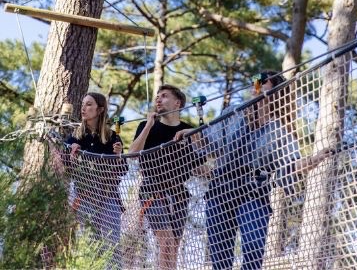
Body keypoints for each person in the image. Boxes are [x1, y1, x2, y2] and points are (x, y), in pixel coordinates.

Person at [174, 72, 330, 270]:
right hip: (221, 189)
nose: (255, 87)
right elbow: (210, 144)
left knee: (254, 246)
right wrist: (191, 134)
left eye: (263, 83)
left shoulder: (278, 129)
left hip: (253, 191)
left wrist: (313, 160)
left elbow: (290, 165)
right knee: (220, 256)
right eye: (254, 83)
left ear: (274, 94)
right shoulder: (233, 113)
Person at [129, 85, 204, 270]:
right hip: (152, 189)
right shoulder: (147, 126)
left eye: (164, 96)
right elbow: (132, 154)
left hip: (179, 192)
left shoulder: (188, 130)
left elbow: (200, 165)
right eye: (157, 97)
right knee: (166, 242)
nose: (158, 100)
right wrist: (148, 124)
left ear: (177, 103)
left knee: (174, 247)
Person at [64, 92, 126, 269]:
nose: (84, 108)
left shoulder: (113, 137)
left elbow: (123, 171)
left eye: (89, 104)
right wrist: (71, 155)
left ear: (100, 109)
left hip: (108, 196)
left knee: (111, 244)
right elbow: (65, 168)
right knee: (89, 244)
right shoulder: (74, 138)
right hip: (85, 197)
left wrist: (119, 155)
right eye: (83, 104)